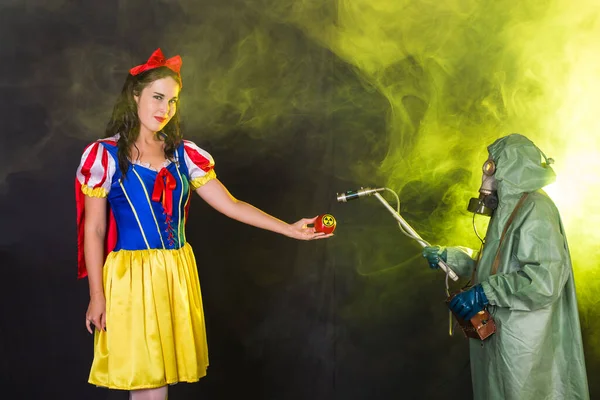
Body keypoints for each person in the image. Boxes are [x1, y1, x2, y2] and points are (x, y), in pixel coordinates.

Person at [75, 48, 331, 400]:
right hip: (132, 277)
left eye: (173, 101)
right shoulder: (104, 155)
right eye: (157, 97)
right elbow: (95, 230)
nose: (165, 109)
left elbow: (231, 204)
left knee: (159, 381)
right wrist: (96, 295)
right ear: (135, 96)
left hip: (177, 271)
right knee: (144, 380)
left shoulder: (183, 154)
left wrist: (288, 228)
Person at [422, 134, 589, 400]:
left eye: (492, 165)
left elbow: (544, 281)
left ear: (511, 166)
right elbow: (496, 264)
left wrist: (483, 293)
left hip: (526, 345)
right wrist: (450, 257)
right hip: (502, 339)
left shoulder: (536, 209)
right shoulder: (509, 209)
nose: (487, 173)